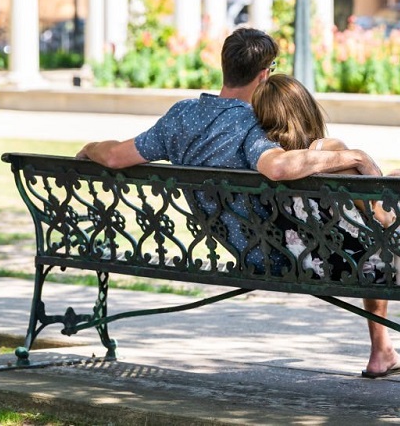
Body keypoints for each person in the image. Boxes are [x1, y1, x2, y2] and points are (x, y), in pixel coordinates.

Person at [76, 27, 382, 270]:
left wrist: (90, 147)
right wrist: (354, 156)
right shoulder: (252, 124)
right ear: (264, 75)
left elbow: (115, 156)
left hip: (229, 245)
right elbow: (277, 167)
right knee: (334, 154)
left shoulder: (181, 116)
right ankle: (381, 345)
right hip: (273, 252)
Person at [251, 73, 400, 391]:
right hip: (355, 265)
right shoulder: (328, 151)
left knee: (376, 242)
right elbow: (382, 217)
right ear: (307, 110)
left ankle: (381, 353)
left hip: (303, 264)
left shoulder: (263, 161)